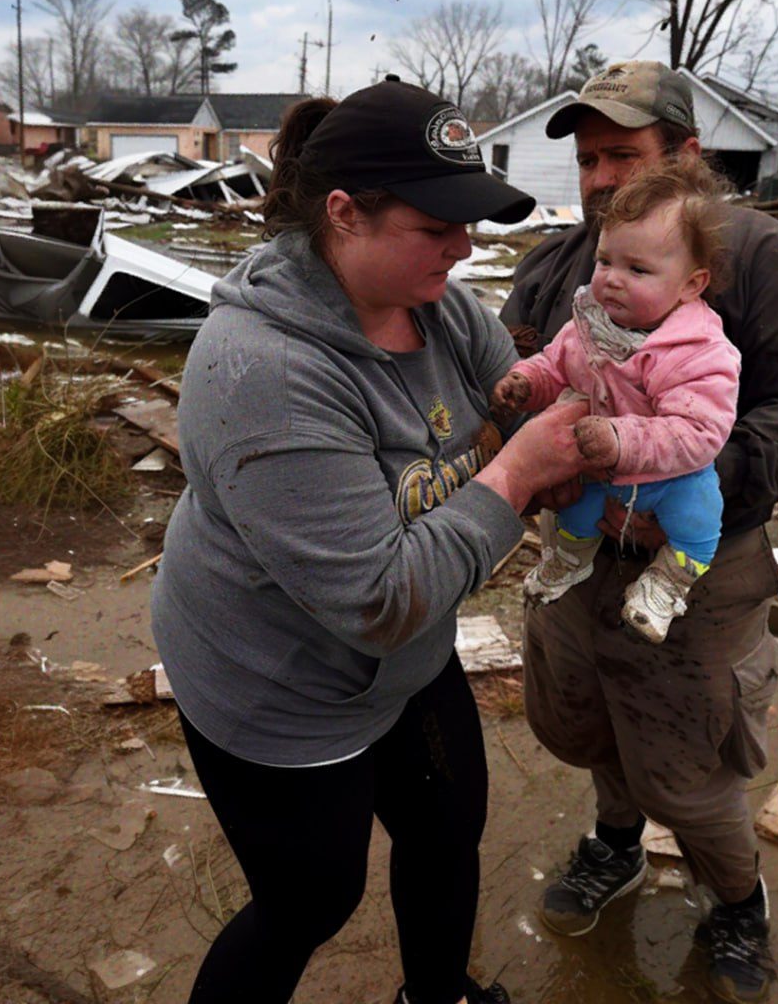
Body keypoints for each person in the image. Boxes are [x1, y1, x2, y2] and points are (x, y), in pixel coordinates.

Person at [151, 77, 595, 1004]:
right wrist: (513, 479)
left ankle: (435, 996)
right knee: (311, 898)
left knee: (446, 827)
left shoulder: (433, 301)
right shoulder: (261, 368)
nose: (464, 247)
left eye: (468, 223)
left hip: (406, 655)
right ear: (345, 214)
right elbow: (378, 599)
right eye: (439, 226)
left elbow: (515, 393)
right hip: (282, 682)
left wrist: (618, 420)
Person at [500, 60, 778, 1003]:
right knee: (591, 725)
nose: (598, 178)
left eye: (622, 154)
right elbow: (521, 371)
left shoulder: (759, 259)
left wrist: (680, 476)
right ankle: (614, 846)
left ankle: (738, 901)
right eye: (586, 159)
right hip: (580, 557)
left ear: (686, 156)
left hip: (696, 568)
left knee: (694, 767)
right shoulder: (560, 265)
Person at [491, 157, 741, 643]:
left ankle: (669, 582)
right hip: (600, 467)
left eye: (638, 269)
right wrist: (525, 382)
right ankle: (568, 561)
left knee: (698, 519)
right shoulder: (589, 325)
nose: (611, 279)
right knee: (576, 514)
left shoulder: (699, 351)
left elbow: (699, 433)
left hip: (672, 476)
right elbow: (555, 363)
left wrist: (621, 438)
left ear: (692, 284)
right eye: (606, 261)